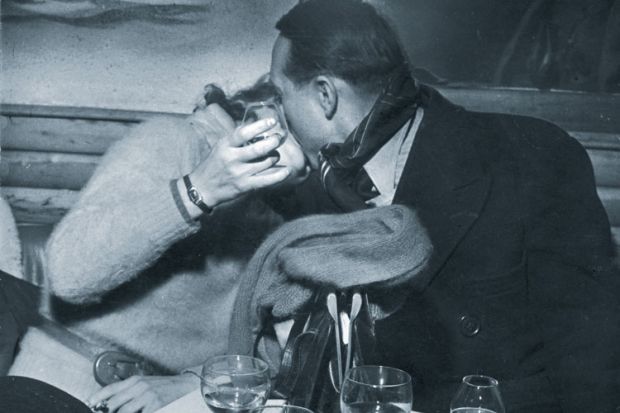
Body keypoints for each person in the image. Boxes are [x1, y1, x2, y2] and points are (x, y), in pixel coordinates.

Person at [265, 1, 620, 412]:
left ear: (325, 96)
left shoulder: (533, 160)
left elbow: (591, 369)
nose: (280, 115)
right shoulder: (315, 194)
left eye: (280, 96)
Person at [7, 79, 310, 413]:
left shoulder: (296, 214)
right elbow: (69, 274)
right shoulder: (175, 140)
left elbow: (283, 350)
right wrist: (199, 190)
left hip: (176, 403)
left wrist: (195, 381)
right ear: (268, 110)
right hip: (61, 383)